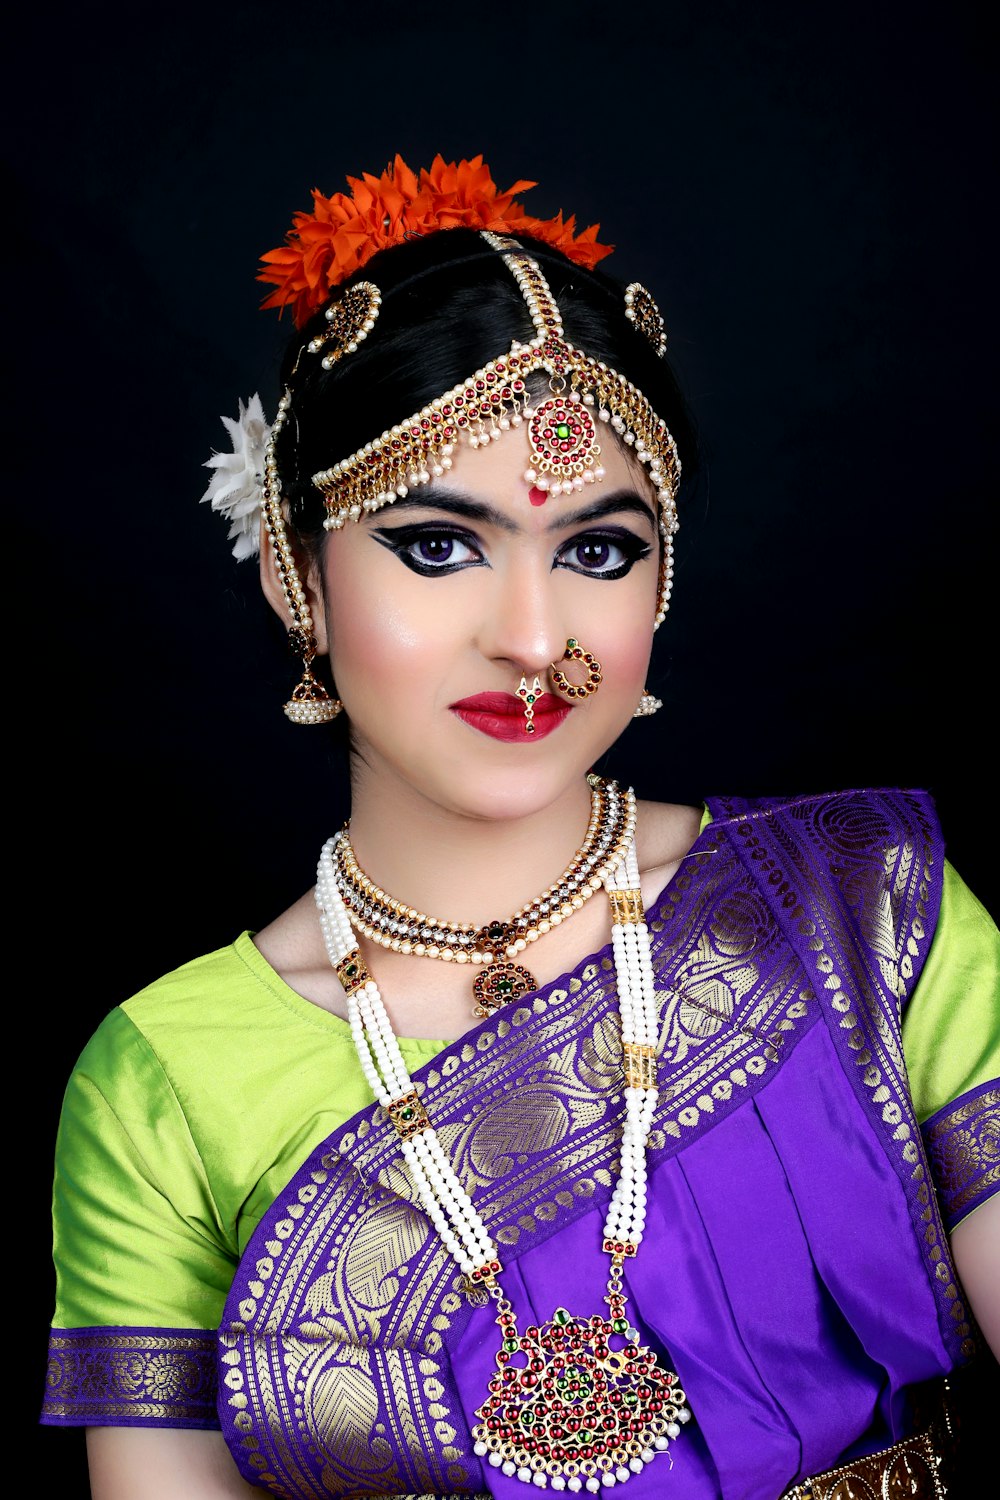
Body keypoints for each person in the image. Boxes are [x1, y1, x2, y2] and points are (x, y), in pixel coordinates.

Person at [40, 153, 998, 1500]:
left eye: (598, 552)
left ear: (662, 586)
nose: (536, 640)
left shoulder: (862, 913)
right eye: (440, 546)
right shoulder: (165, 1087)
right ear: (293, 574)